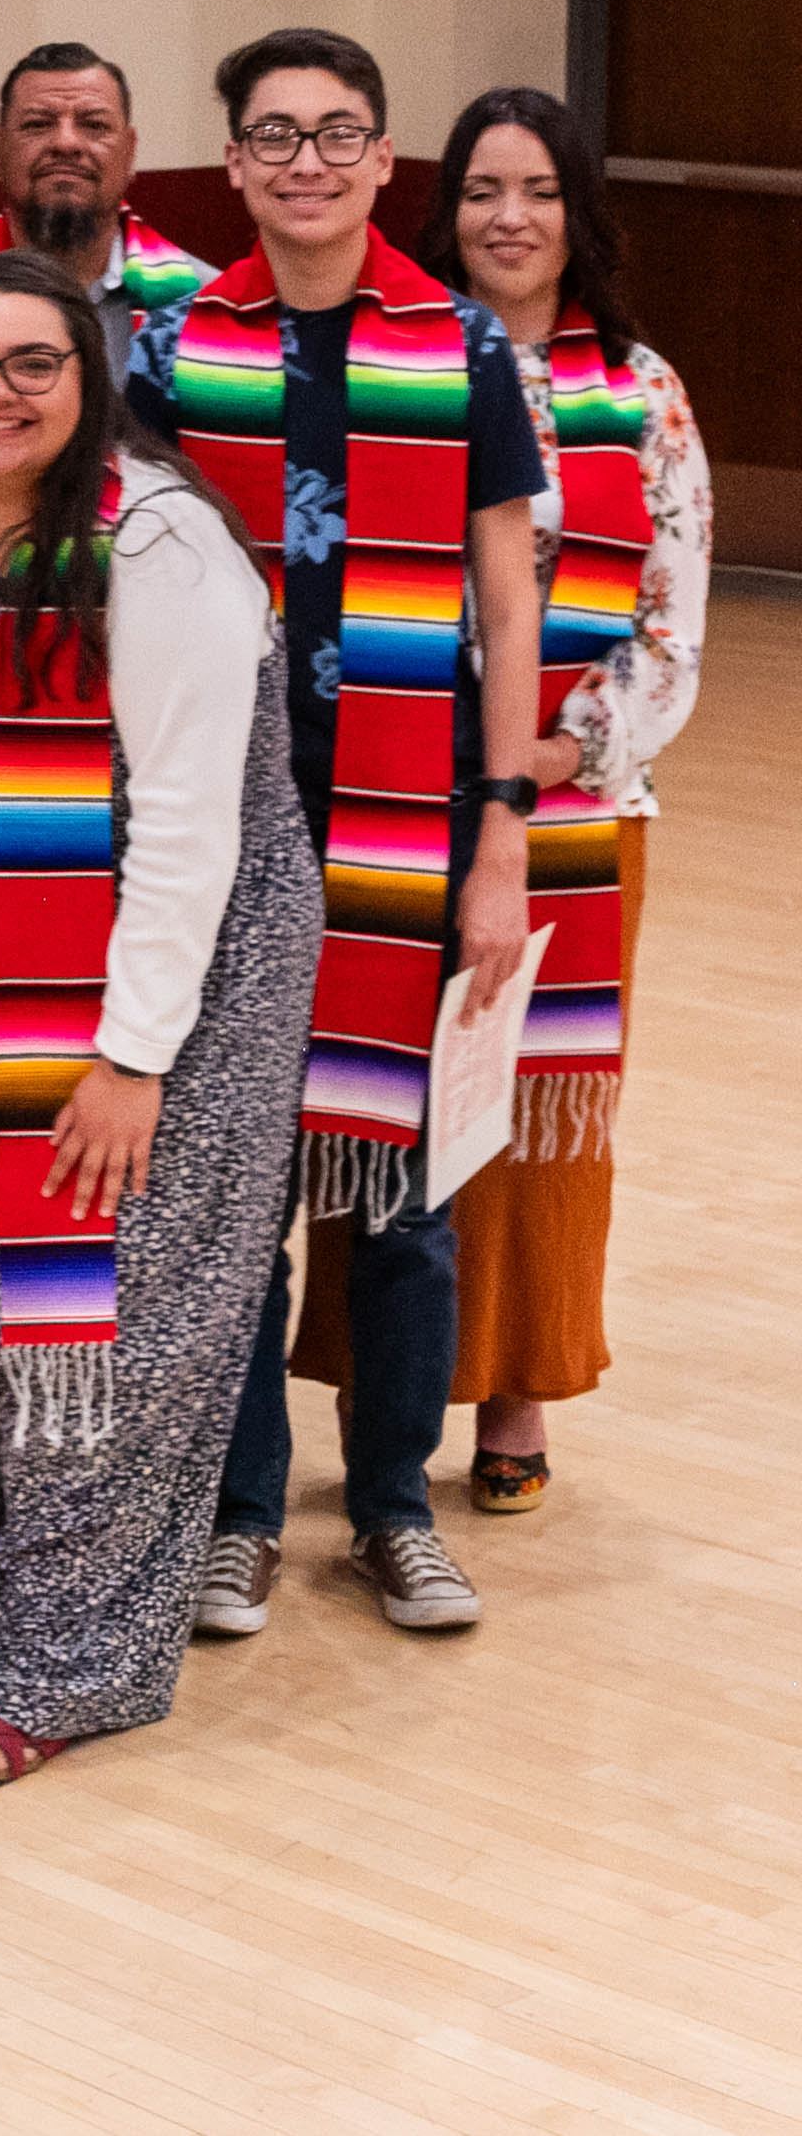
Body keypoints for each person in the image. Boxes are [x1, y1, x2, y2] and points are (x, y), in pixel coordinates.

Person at [0, 254, 297, 1791]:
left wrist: (132, 1054)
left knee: (104, 1315)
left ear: (88, 378)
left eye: (33, 363)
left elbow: (189, 825)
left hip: (164, 978)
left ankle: (64, 1663)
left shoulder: (155, 541)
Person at [149, 29, 553, 1640]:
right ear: (234, 162)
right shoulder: (177, 346)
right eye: (274, 137)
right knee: (239, 1175)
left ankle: (391, 1500)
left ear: (387, 162)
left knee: (400, 1187)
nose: (306, 161)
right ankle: (243, 1507)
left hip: (413, 812)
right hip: (229, 819)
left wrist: (506, 831)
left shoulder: (456, 343)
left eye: (338, 135)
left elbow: (509, 597)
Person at [300, 88, 699, 1521]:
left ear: (576, 210)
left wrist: (550, 755)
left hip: (575, 805)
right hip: (388, 788)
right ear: (443, 206)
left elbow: (672, 620)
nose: (508, 217)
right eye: (481, 190)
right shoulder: (393, 360)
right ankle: (374, 1391)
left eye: (536, 189)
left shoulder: (641, 390)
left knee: (531, 1119)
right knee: (376, 1091)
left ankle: (520, 1382)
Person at [0, 44, 213, 321]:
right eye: (37, 124)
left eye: (94, 125)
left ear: (130, 152)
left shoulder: (206, 305)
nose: (66, 143)